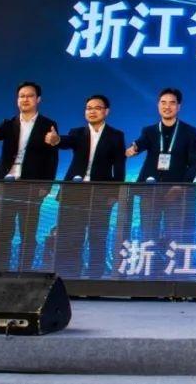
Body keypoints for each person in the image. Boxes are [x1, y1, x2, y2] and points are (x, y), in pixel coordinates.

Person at [0, 81, 59, 270]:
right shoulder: (9, 123)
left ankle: (24, 272)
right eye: (21, 96)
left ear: (38, 99)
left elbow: (52, 159)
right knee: (1, 233)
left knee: (28, 234)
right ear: (17, 100)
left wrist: (45, 186)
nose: (25, 99)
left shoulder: (48, 125)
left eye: (30, 96)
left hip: (31, 187)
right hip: (5, 184)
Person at [47, 94, 126, 278]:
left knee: (97, 237)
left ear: (106, 111)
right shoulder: (77, 132)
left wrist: (115, 194)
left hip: (101, 195)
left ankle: (94, 278)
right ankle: (68, 277)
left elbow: (119, 166)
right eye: (88, 108)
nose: (92, 111)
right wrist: (56, 140)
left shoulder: (116, 135)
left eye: (97, 108)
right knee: (70, 237)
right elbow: (66, 141)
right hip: (73, 193)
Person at [126, 88, 196, 243]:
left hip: (175, 191)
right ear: (158, 105)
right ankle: (150, 258)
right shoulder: (149, 131)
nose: (167, 106)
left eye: (172, 103)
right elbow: (141, 142)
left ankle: (171, 259)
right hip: (149, 190)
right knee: (148, 235)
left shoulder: (189, 131)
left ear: (178, 106)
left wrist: (181, 186)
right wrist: (134, 148)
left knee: (174, 237)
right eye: (163, 102)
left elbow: (195, 162)